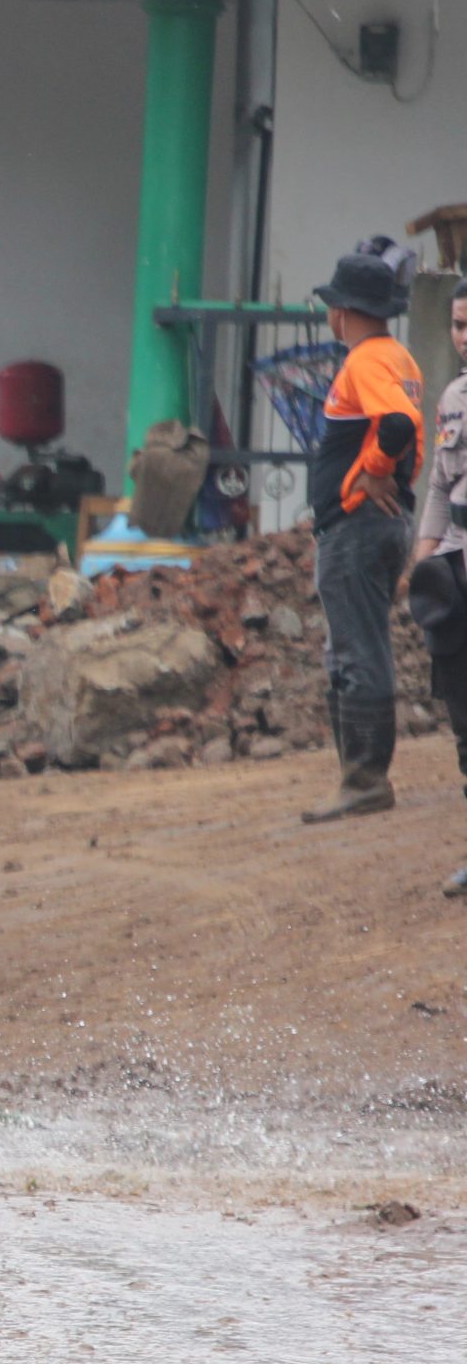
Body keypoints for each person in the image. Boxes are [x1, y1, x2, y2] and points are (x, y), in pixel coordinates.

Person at [304, 244, 425, 824]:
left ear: (342, 311)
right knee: (356, 645)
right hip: (373, 523)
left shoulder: (367, 361)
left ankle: (364, 779)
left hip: (357, 525)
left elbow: (400, 423)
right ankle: (358, 776)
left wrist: (374, 470)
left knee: (357, 649)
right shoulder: (399, 357)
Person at [409, 276, 467, 891]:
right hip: (454, 567)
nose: (463, 338)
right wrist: (425, 555)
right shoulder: (453, 396)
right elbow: (438, 486)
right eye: (457, 325)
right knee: (464, 716)